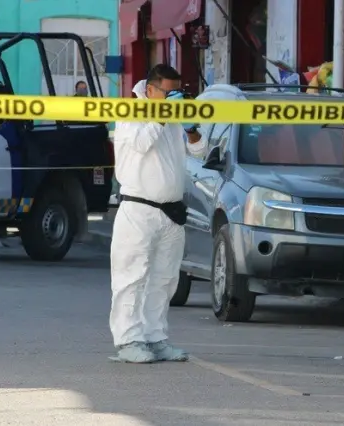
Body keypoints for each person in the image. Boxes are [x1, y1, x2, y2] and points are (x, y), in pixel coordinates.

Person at [109, 64, 202, 363]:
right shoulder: (129, 112)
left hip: (170, 212)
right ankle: (128, 341)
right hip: (138, 210)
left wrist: (191, 128)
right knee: (131, 277)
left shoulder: (171, 118)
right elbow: (140, 143)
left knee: (164, 280)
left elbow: (200, 152)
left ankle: (155, 337)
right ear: (150, 90)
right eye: (168, 92)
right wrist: (163, 116)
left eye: (178, 92)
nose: (174, 97)